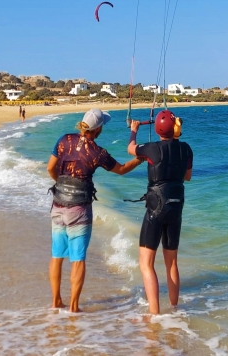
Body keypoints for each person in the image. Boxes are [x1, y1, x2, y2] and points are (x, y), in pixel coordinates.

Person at [47, 108, 143, 312]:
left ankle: (56, 301)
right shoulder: (97, 152)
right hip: (79, 209)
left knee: (57, 255)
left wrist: (62, 185)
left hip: (57, 204)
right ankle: (74, 307)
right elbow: (123, 169)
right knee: (78, 258)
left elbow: (50, 168)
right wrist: (140, 159)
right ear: (98, 129)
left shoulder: (64, 140)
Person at [127, 110, 193, 312]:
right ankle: (174, 309)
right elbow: (187, 177)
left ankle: (155, 314)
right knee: (171, 263)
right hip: (176, 206)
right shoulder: (186, 149)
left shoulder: (152, 149)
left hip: (156, 207)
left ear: (157, 129)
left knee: (146, 264)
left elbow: (130, 149)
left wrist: (133, 131)